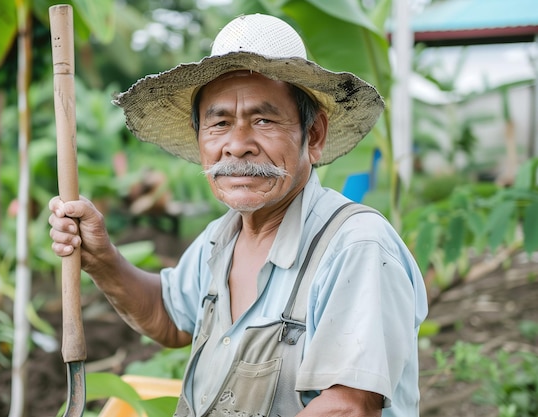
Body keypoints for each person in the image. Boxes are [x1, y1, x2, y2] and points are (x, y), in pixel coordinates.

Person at [49, 13, 428, 417]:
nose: (237, 145)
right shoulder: (221, 238)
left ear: (313, 135)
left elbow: (348, 408)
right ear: (200, 140)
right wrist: (102, 259)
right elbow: (168, 317)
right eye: (220, 123)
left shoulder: (356, 246)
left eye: (263, 120)